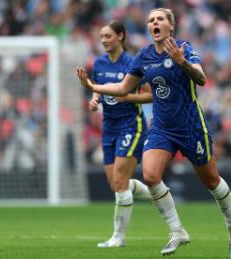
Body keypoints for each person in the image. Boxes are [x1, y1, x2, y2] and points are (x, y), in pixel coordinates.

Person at [77, 8, 231, 258]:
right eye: (150, 20)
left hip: (190, 126)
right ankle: (177, 231)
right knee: (150, 175)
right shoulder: (144, 56)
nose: (154, 23)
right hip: (162, 127)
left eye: (159, 19)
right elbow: (123, 88)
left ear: (170, 26)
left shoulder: (184, 48)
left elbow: (201, 78)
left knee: (210, 180)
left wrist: (181, 61)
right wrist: (93, 87)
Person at [80, 20, 152, 248]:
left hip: (131, 124)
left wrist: (128, 97)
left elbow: (150, 95)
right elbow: (100, 90)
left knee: (120, 180)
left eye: (108, 36)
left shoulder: (132, 63)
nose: (103, 40)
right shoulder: (99, 64)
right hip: (109, 127)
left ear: (120, 36)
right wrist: (94, 99)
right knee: (116, 183)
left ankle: (118, 238)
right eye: (101, 36)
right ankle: (157, 193)